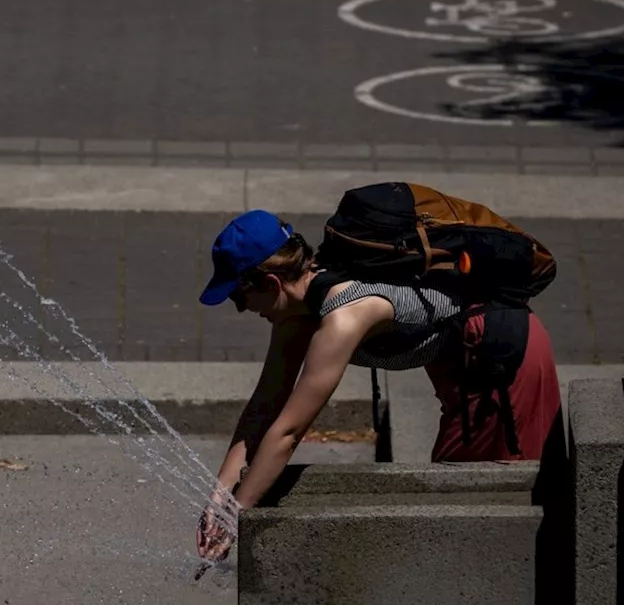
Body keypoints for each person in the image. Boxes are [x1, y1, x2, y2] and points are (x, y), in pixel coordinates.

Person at [193, 209, 561, 563]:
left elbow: (288, 431)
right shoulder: (297, 310)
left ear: (272, 283)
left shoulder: (345, 315)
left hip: (503, 362)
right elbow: (265, 404)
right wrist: (220, 495)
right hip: (460, 374)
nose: (241, 309)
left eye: (238, 297)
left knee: (487, 503)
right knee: (458, 503)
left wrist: (238, 515)